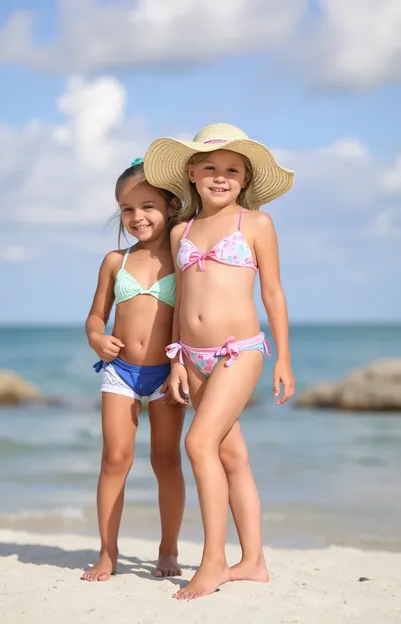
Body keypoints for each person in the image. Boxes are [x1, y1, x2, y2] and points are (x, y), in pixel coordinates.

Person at [144, 124, 296, 600]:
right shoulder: (180, 232)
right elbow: (180, 300)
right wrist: (176, 360)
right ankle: (253, 562)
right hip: (193, 357)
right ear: (191, 173)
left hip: (239, 351)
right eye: (210, 167)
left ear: (245, 178)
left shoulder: (255, 224)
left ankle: (213, 561)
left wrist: (283, 359)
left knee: (198, 442)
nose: (220, 176)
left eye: (232, 170)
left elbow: (272, 292)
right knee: (231, 455)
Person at [82, 158, 185, 582]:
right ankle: (108, 553)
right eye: (127, 208)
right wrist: (95, 338)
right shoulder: (114, 261)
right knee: (115, 459)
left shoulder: (182, 257)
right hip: (119, 370)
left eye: (147, 206)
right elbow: (95, 317)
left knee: (166, 461)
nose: (137, 217)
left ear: (172, 206)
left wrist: (182, 363)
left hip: (166, 373)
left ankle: (168, 549)